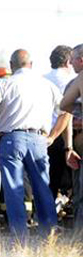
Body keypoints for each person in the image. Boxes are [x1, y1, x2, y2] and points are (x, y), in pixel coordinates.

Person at [0, 49, 67, 239]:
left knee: (14, 190)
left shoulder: (5, 82)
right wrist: (52, 136)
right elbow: (66, 111)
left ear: (12, 65)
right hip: (39, 141)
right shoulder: (47, 85)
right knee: (42, 187)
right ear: (31, 64)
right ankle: (49, 233)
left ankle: (20, 238)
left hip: (11, 140)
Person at [43, 45, 75, 200]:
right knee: (73, 183)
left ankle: (45, 219)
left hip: (43, 135)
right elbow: (68, 114)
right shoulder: (72, 81)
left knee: (49, 182)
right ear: (69, 61)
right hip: (64, 136)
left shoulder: (42, 79)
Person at [60, 43, 83, 228]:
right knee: (78, 193)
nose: (70, 63)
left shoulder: (76, 83)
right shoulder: (72, 83)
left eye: (72, 59)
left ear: (81, 60)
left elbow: (65, 111)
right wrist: (69, 148)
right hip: (77, 144)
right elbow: (67, 117)